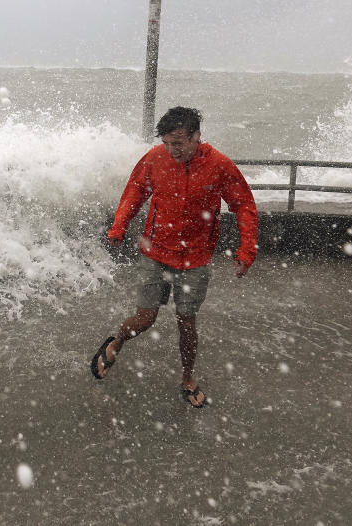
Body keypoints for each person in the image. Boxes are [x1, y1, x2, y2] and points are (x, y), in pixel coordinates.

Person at [90, 106, 258, 407]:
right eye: (167, 142)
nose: (172, 149)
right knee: (144, 319)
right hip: (155, 252)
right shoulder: (155, 158)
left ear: (197, 137)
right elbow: (134, 192)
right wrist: (118, 228)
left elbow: (244, 204)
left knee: (187, 322)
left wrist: (247, 249)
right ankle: (116, 342)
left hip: (195, 258)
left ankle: (187, 377)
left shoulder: (219, 165)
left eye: (179, 143)